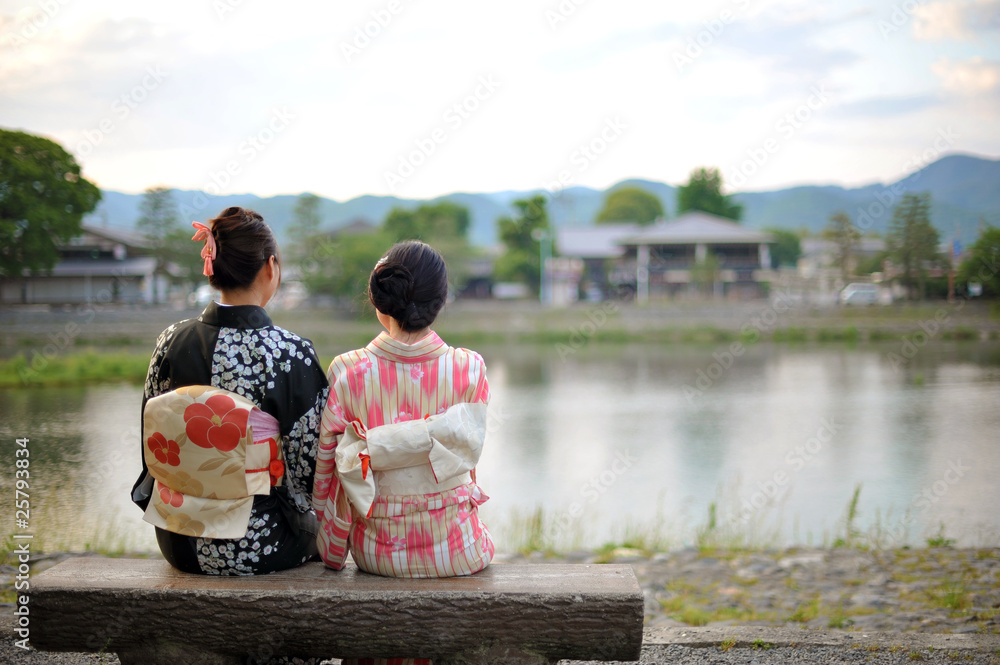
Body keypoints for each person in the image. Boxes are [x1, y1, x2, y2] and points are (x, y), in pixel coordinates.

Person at [131, 206, 329, 576]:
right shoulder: (289, 353)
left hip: (178, 539)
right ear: (270, 267)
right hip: (262, 542)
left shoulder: (170, 341)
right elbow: (310, 471)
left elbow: (151, 446)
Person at [314, 240, 494, 580]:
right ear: (440, 301)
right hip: (459, 550)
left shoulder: (348, 370)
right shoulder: (470, 367)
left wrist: (331, 545)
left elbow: (328, 467)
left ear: (380, 301)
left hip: (376, 554)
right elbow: (467, 460)